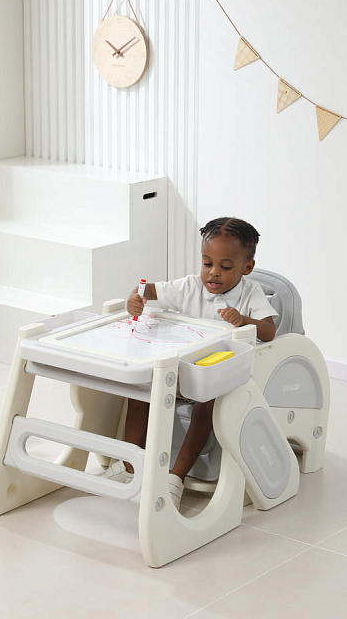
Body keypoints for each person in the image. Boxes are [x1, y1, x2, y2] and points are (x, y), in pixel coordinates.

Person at [105, 216, 278, 509]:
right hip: (178, 373)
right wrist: (134, 299)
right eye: (207, 263)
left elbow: (269, 330)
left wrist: (243, 320)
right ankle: (130, 465)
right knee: (140, 392)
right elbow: (146, 290)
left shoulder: (251, 294)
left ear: (246, 267)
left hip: (219, 379)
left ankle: (176, 477)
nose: (213, 273)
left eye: (225, 267)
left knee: (205, 405)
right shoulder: (188, 286)